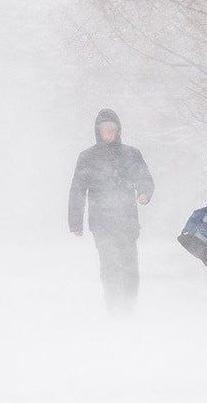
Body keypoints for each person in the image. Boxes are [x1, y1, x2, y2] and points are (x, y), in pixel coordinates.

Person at [68, 109, 154, 312]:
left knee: (130, 266)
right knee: (110, 266)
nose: (109, 133)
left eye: (112, 129)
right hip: (101, 223)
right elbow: (77, 190)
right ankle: (115, 309)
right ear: (98, 131)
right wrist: (75, 222)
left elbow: (145, 178)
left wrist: (144, 193)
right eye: (105, 129)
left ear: (118, 131)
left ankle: (129, 307)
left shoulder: (131, 154)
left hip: (127, 222)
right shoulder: (87, 157)